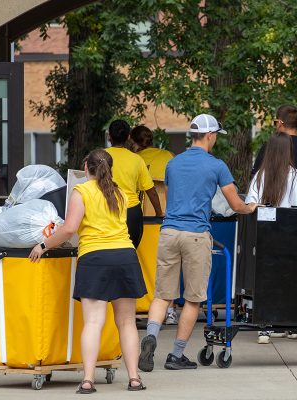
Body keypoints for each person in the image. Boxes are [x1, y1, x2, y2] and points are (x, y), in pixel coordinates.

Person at [138, 114, 257, 372]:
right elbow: (235, 204)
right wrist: (250, 207)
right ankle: (177, 355)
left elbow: (170, 200)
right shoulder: (217, 166)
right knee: (193, 299)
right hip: (196, 234)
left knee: (162, 295)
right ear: (211, 135)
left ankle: (151, 337)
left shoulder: (173, 163)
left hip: (168, 232)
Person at [29, 149, 147, 393]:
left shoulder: (81, 191)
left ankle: (88, 381)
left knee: (94, 321)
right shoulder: (121, 193)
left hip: (95, 258)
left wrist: (42, 245)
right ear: (110, 168)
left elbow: (69, 228)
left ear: (86, 168)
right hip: (125, 256)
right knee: (127, 322)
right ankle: (134, 379)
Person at [246, 133, 297, 344]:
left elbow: (251, 204)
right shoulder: (296, 176)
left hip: (266, 237)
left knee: (266, 280)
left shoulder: (260, 175)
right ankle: (292, 326)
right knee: (290, 280)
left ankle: (264, 328)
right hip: (290, 236)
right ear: (288, 152)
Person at [130, 124, 179, 325]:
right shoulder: (167, 156)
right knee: (169, 264)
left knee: (140, 264)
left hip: (140, 219)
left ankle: (138, 306)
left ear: (133, 142)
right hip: (166, 217)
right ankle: (170, 310)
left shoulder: (134, 159)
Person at [106, 120, 162, 248]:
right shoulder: (137, 159)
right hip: (131, 214)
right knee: (130, 251)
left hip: (107, 210)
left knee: (108, 249)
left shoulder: (100, 157)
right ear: (128, 137)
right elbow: (151, 191)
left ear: (109, 136)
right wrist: (159, 213)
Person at [252, 105, 297, 179]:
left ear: (279, 123)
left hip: (275, 190)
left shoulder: (269, 146)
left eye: (275, 122)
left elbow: (256, 176)